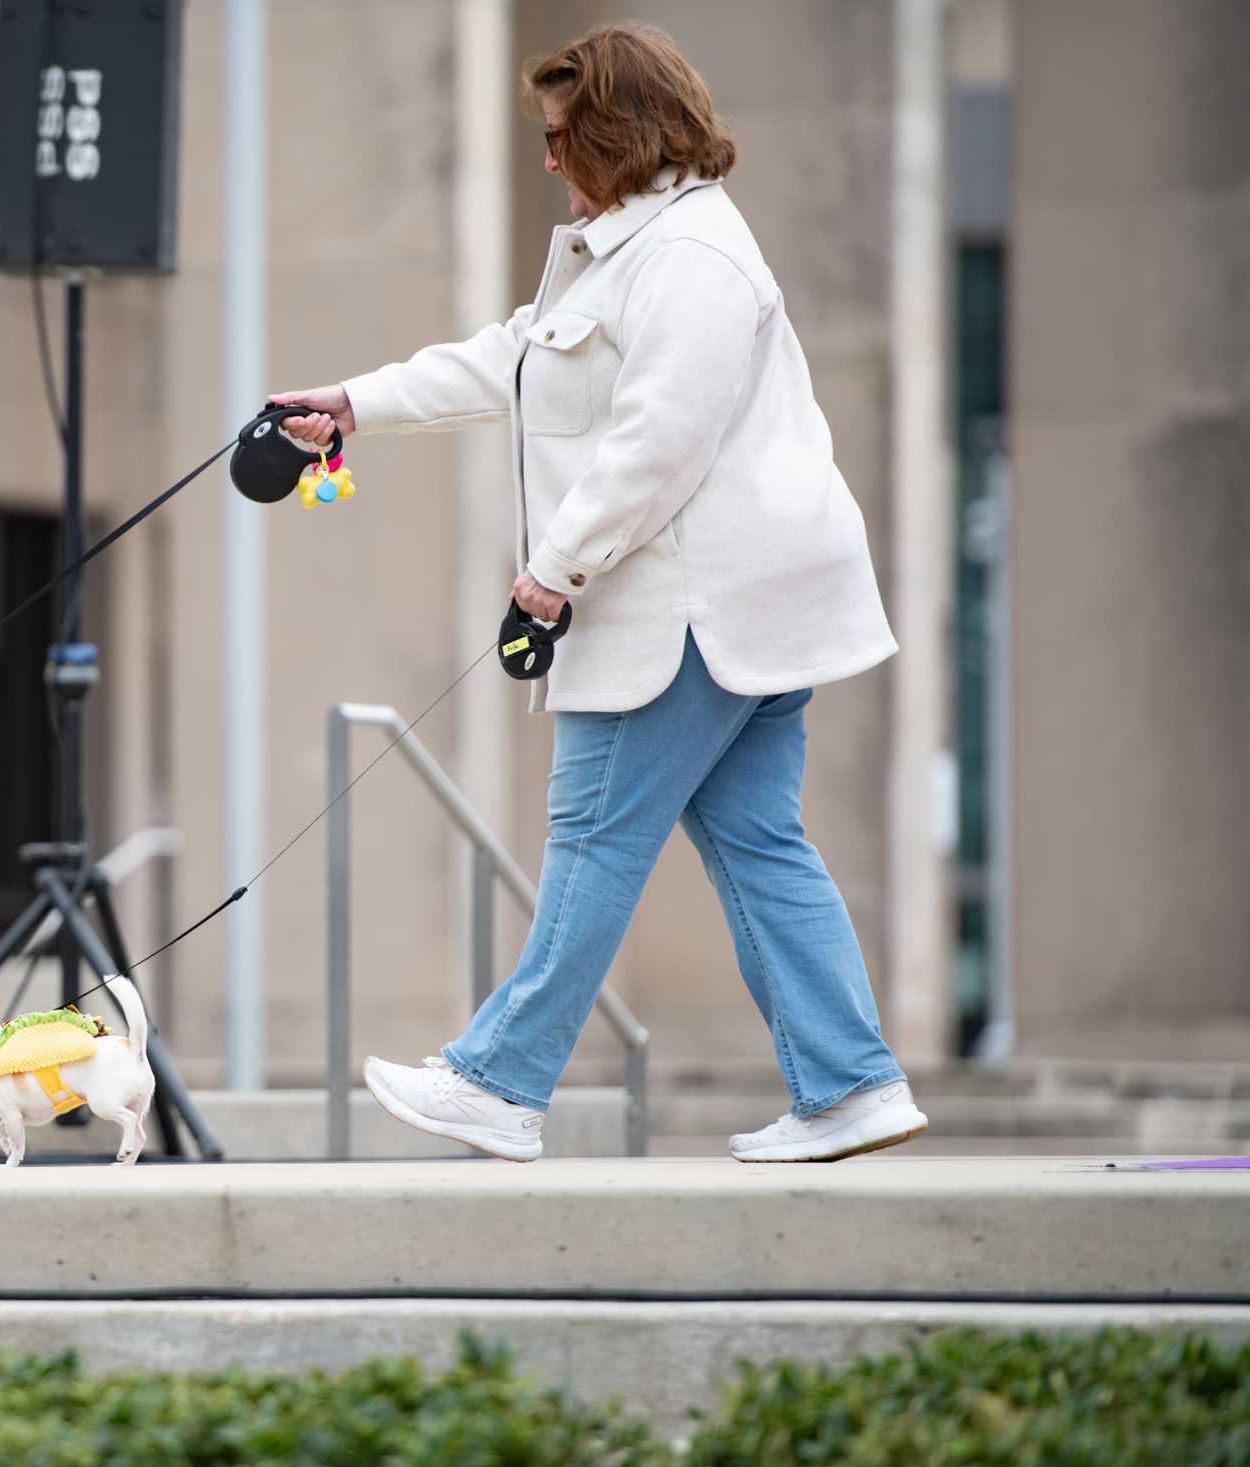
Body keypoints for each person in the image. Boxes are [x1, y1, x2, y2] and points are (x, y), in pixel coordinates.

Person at [270, 22, 926, 1164]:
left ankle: (499, 1081)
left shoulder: (689, 261)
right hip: (724, 612)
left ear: (622, 132)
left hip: (690, 610)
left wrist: (551, 571)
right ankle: (849, 1087)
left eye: (562, 136)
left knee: (590, 833)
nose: (548, 159)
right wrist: (354, 403)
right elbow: (511, 359)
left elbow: (657, 441)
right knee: (757, 844)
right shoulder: (633, 250)